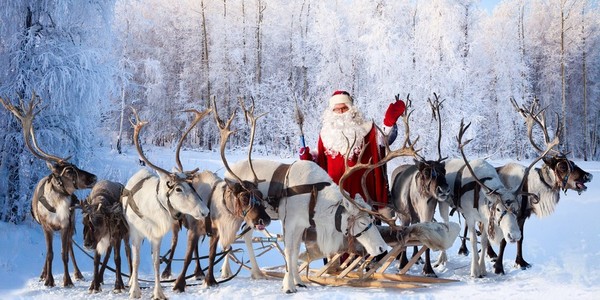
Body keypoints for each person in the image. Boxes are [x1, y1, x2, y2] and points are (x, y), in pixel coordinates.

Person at [299, 90, 405, 217]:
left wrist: (389, 122)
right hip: (335, 195)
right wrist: (308, 157)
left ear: (351, 109)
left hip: (364, 194)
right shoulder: (326, 134)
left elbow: (384, 140)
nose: (341, 113)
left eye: (344, 108)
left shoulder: (367, 129)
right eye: (337, 109)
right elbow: (321, 158)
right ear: (331, 112)